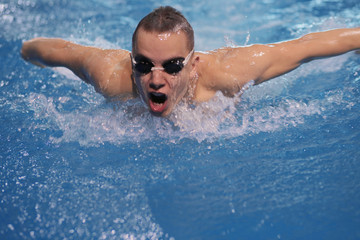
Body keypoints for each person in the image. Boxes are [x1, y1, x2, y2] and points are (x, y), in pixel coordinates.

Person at [21, 6, 360, 117]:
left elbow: (303, 47)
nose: (155, 80)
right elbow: (59, 50)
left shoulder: (227, 73)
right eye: (143, 64)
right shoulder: (112, 75)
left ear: (193, 64)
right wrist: (24, 51)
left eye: (171, 66)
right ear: (131, 61)